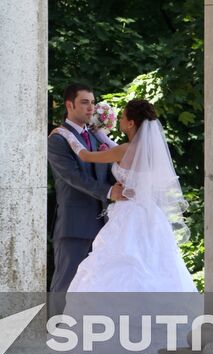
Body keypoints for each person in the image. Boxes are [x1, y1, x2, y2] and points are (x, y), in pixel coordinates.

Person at [49, 98, 197, 292]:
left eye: (123, 117)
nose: (119, 120)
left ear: (131, 123)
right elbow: (113, 146)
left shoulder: (124, 150)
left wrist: (65, 133)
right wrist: (99, 133)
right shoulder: (149, 151)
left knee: (119, 261)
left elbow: (85, 155)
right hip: (151, 214)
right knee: (155, 264)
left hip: (128, 213)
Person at [47, 82, 126, 292]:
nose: (91, 108)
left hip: (104, 227)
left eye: (92, 102)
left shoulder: (96, 137)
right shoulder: (58, 139)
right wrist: (110, 192)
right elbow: (73, 176)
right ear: (69, 105)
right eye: (84, 102)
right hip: (75, 225)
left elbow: (107, 171)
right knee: (65, 287)